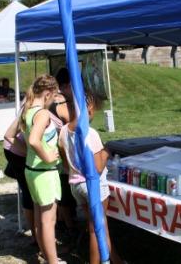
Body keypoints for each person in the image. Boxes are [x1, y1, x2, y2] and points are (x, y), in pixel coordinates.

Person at [58, 92, 123, 264]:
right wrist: (107, 151)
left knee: (100, 225)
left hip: (75, 185)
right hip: (92, 185)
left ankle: (115, 259)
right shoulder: (90, 133)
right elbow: (98, 167)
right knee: (96, 229)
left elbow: (65, 164)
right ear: (89, 107)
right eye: (94, 109)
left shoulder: (63, 131)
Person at [20, 75, 62, 264]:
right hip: (44, 173)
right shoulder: (43, 113)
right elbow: (33, 140)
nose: (54, 101)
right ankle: (53, 261)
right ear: (47, 94)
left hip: (32, 170)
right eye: (53, 97)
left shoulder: (28, 110)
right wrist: (48, 157)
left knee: (39, 218)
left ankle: (46, 255)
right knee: (48, 221)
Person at [51, 68, 77, 236]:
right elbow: (75, 124)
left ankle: (62, 220)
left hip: (55, 152)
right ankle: (70, 227)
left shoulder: (54, 98)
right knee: (65, 191)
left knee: (61, 190)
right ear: (67, 85)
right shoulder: (61, 102)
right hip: (60, 153)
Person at [4, 117, 36, 246]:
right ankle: (36, 236)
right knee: (29, 194)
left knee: (31, 194)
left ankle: (38, 235)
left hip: (21, 151)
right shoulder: (33, 108)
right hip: (19, 153)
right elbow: (9, 135)